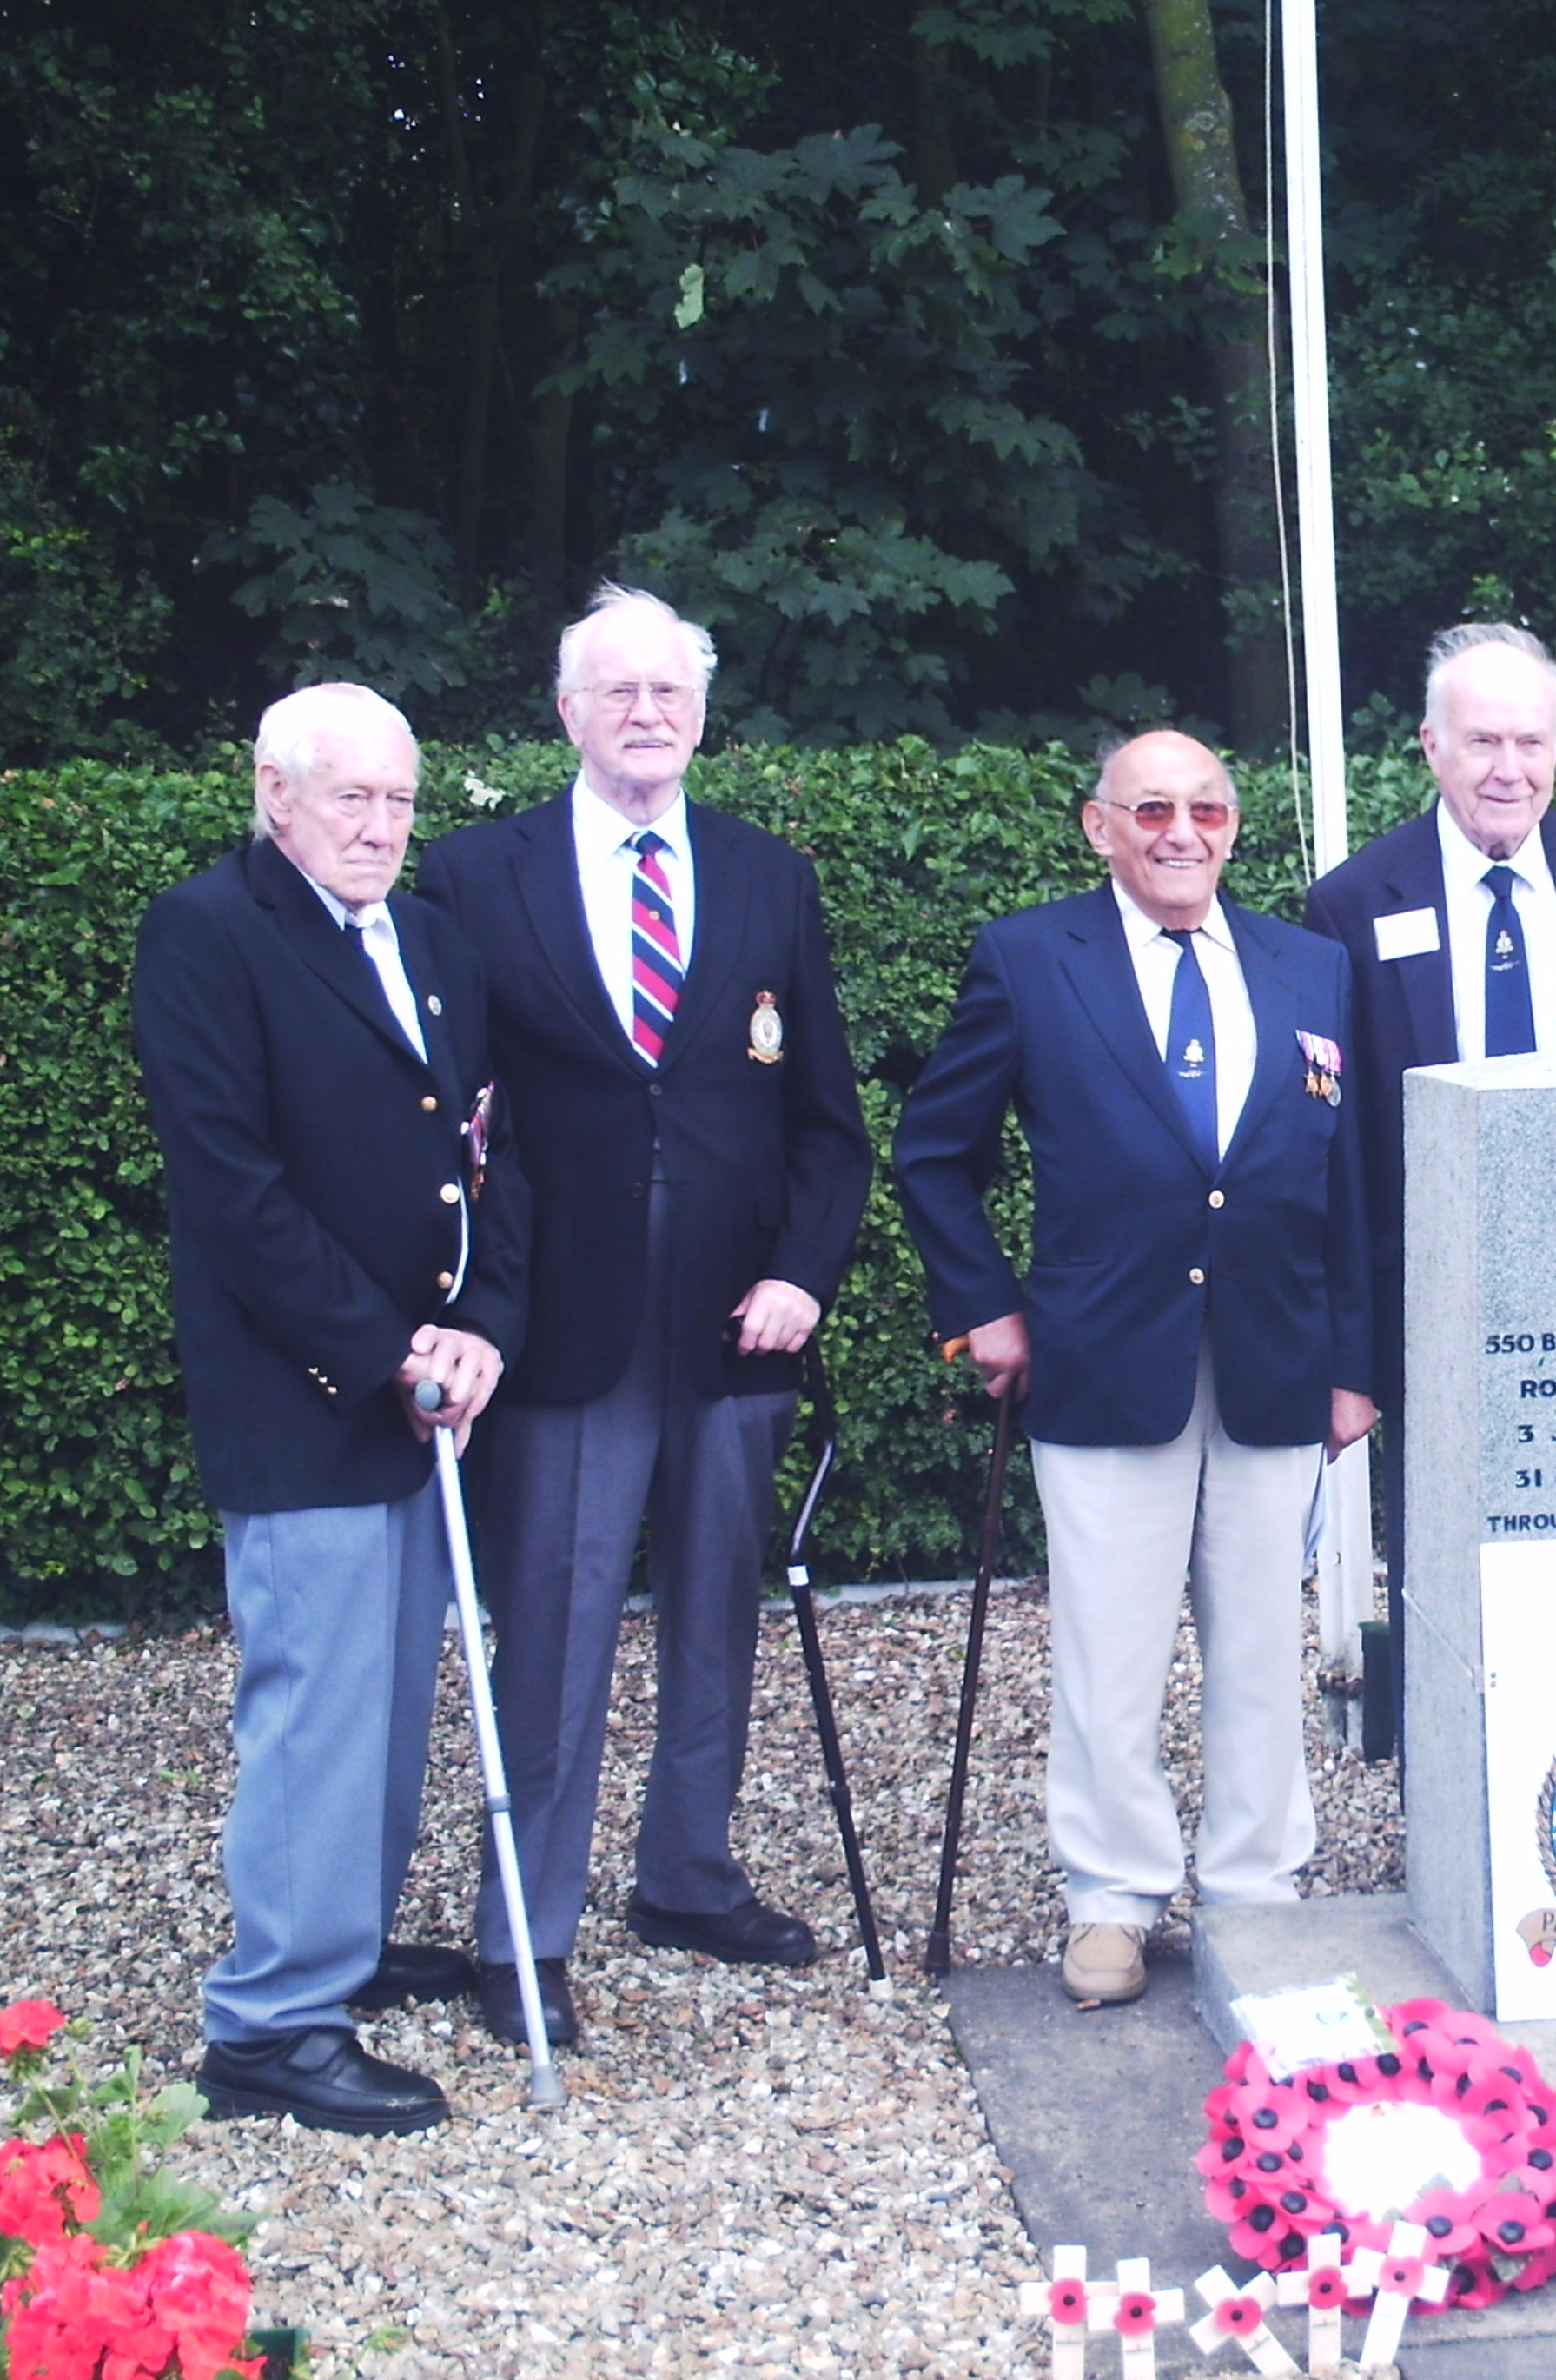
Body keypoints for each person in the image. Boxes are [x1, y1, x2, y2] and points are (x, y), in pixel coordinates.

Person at [414, 585, 872, 2044]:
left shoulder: (766, 877)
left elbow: (826, 1121)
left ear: (703, 713)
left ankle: (687, 1873)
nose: (647, 713)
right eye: (617, 690)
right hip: (559, 1321)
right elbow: (450, 1115)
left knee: (717, 1611)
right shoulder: (473, 876)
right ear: (568, 712)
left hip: (736, 1322)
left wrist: (803, 1272)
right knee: (553, 1628)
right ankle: (523, 1930)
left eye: (670, 691)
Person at [895, 731, 1374, 2006]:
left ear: (1233, 827)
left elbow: (1348, 1180)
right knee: (1110, 1652)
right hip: (1103, 1353)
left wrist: (1357, 1363)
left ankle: (1258, 1890)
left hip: (1276, 1356)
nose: (1181, 832)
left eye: (1206, 810)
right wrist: (982, 1309)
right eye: (1151, 808)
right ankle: (1111, 1894)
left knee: (1264, 1644)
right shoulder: (1029, 958)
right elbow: (933, 1149)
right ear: (1098, 825)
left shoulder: (1309, 965)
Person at [134, 683, 526, 2133]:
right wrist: (385, 1351)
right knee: (314, 1707)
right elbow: (229, 1187)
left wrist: (483, 1328)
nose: (378, 826)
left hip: (427, 1387)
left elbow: (486, 1153)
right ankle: (272, 2022)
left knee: (392, 1692)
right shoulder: (206, 931)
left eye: (399, 800)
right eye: (350, 797)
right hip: (309, 1391)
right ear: (275, 791)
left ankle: (339, 1942)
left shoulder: (430, 938)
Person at [1301, 623, 1556, 1744]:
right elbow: (1343, 1151)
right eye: (1481, 741)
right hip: (1441, 1312)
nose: (1508, 768)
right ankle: (1451, 1794)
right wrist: (1353, 1359)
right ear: (1430, 746)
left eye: (1530, 741)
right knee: (1451, 1581)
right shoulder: (1354, 903)